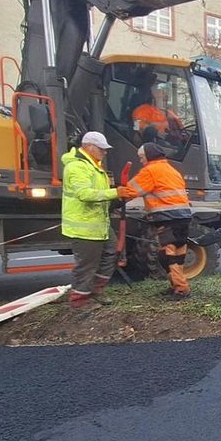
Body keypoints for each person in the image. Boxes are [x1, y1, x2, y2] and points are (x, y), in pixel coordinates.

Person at [62, 131, 135, 310]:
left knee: (111, 253)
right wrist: (115, 192)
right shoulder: (77, 167)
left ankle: (95, 291)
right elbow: (84, 194)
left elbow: (100, 195)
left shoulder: (94, 166)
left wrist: (117, 198)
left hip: (99, 224)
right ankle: (79, 301)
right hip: (84, 227)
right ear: (89, 146)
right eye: (102, 149)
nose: (105, 152)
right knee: (87, 265)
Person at [125, 142, 194, 297]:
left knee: (166, 256)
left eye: (142, 157)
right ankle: (177, 286)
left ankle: (182, 289)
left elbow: (130, 191)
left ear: (149, 156)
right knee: (179, 254)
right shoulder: (172, 170)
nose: (141, 161)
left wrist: (114, 200)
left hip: (167, 219)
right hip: (183, 217)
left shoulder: (150, 171)